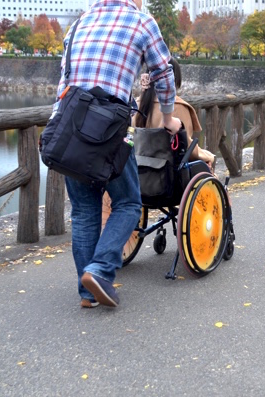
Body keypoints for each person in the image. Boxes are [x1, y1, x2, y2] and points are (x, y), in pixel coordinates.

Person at [53, 0, 181, 309]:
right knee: (128, 203)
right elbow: (163, 73)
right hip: (109, 130)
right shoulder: (140, 21)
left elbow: (63, 80)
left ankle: (88, 294)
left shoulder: (79, 23)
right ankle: (99, 270)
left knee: (84, 211)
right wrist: (167, 119)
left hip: (70, 129)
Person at [134, 58, 216, 169]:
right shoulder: (178, 106)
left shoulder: (136, 105)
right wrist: (208, 156)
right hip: (167, 173)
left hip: (137, 169)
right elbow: (187, 147)